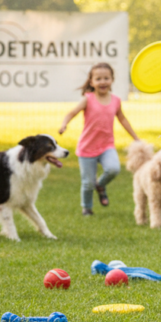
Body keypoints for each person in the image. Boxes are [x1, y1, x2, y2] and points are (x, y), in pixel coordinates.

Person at [59, 63, 140, 216]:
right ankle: (87, 208)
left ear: (112, 80)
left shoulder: (116, 100)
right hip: (86, 148)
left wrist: (136, 138)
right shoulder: (87, 99)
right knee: (87, 183)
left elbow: (122, 119)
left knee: (113, 169)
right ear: (91, 82)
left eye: (106, 78)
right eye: (98, 79)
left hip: (107, 146)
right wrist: (64, 125)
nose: (103, 82)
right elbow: (72, 113)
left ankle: (100, 185)